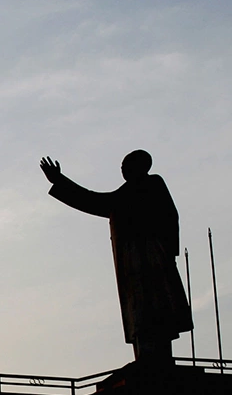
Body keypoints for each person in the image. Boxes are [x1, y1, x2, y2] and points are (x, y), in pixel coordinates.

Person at [40, 151, 193, 362]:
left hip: (150, 255)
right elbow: (94, 200)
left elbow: (170, 217)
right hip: (135, 258)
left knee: (153, 304)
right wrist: (59, 180)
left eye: (125, 165)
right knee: (139, 307)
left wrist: (169, 252)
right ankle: (146, 356)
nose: (122, 169)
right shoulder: (126, 193)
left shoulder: (150, 185)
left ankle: (154, 358)